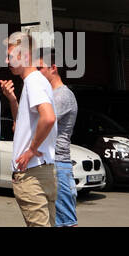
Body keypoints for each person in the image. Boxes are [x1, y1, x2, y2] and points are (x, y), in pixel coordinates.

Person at [0, 31, 58, 227]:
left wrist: (31, 150)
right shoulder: (37, 82)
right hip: (43, 170)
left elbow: (48, 118)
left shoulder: (33, 81)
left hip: (33, 172)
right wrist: (13, 101)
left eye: (10, 55)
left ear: (24, 55)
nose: (6, 60)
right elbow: (21, 127)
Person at [43, 59, 79, 228]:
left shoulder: (63, 95)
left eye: (41, 68)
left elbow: (44, 123)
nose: (38, 73)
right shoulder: (51, 95)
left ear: (53, 68)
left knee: (66, 222)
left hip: (59, 165)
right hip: (52, 164)